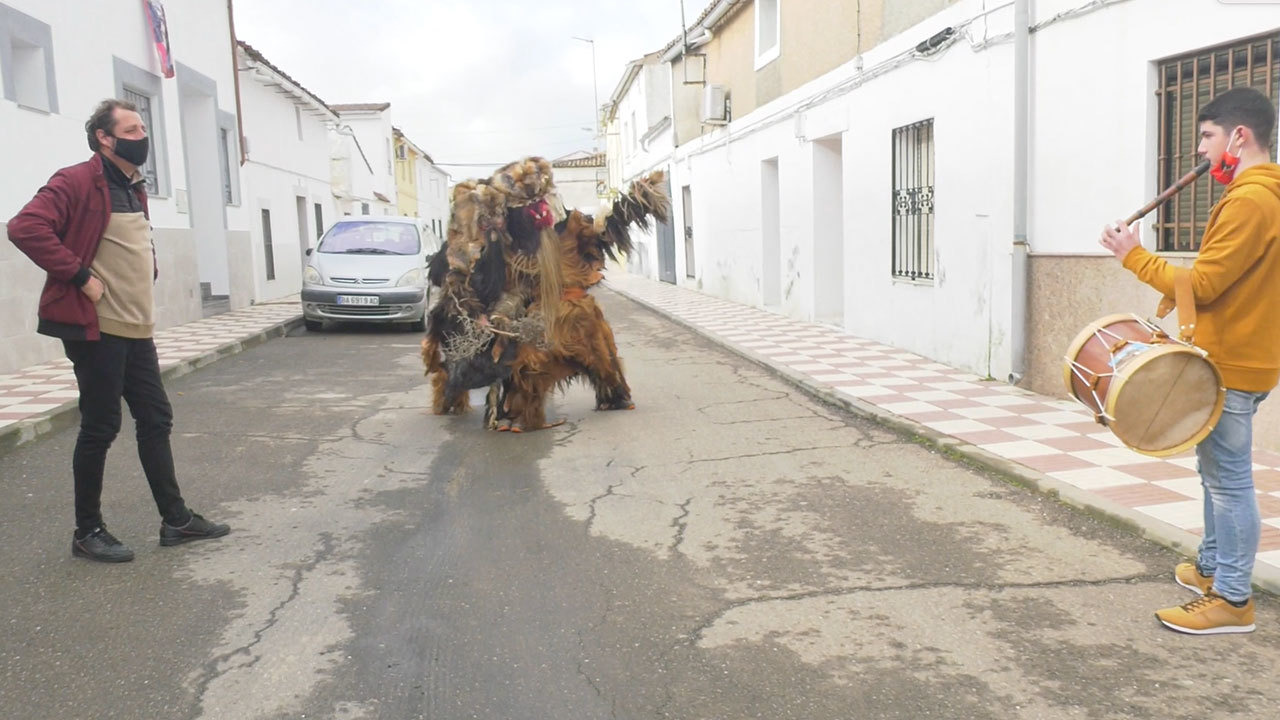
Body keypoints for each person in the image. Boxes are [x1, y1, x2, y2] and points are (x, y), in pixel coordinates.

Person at [7, 99, 229, 563]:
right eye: (131, 128)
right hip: (97, 329)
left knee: (155, 418)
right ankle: (87, 531)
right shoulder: (76, 179)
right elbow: (25, 226)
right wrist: (80, 275)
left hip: (135, 326)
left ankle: (177, 520)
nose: (142, 135)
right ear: (105, 138)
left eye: (142, 126)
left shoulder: (133, 185)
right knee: (101, 425)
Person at [1099, 86, 1280, 634]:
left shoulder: (1251, 199)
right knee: (1213, 475)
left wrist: (1133, 255)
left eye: (1206, 136)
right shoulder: (1262, 194)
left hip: (1231, 362)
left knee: (1227, 481)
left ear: (1238, 136)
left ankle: (1231, 599)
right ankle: (1210, 569)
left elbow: (1202, 284)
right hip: (1243, 353)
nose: (1201, 150)